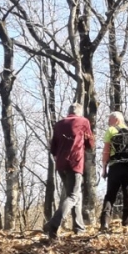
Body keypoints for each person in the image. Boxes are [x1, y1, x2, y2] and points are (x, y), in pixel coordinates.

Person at [43, 103, 95, 240]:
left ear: (68, 112)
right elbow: (90, 143)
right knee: (73, 196)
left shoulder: (59, 124)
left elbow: (52, 147)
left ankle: (79, 227)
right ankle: (54, 223)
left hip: (60, 164)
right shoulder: (83, 121)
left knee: (74, 195)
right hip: (75, 162)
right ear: (79, 112)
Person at [100, 111, 128, 231]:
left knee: (110, 194)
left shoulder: (111, 131)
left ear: (116, 120)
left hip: (116, 166)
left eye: (110, 120)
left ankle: (105, 223)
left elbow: (106, 151)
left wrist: (104, 168)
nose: (108, 122)